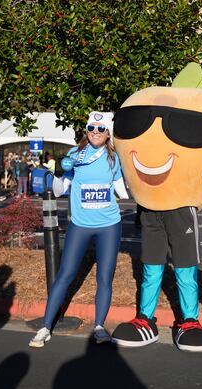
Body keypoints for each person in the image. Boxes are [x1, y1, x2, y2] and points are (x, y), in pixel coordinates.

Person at [29, 111, 128, 347]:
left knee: (105, 277)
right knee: (65, 275)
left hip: (109, 226)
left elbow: (121, 189)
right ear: (86, 131)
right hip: (80, 226)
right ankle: (45, 327)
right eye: (91, 128)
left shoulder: (114, 158)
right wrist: (54, 176)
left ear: (107, 134)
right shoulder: (75, 154)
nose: (95, 132)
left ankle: (100, 326)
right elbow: (61, 189)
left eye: (100, 129)